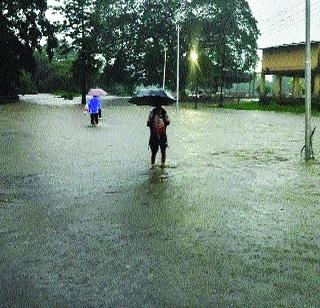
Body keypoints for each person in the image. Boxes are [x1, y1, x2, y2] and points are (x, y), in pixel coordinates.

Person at [147, 100, 170, 166]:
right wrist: (150, 121)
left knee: (163, 152)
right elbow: (148, 123)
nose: (159, 106)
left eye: (160, 104)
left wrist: (166, 120)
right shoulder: (152, 113)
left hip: (163, 135)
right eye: (157, 104)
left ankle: (163, 165)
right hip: (154, 135)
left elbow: (168, 122)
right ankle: (152, 165)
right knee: (154, 153)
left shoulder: (164, 112)